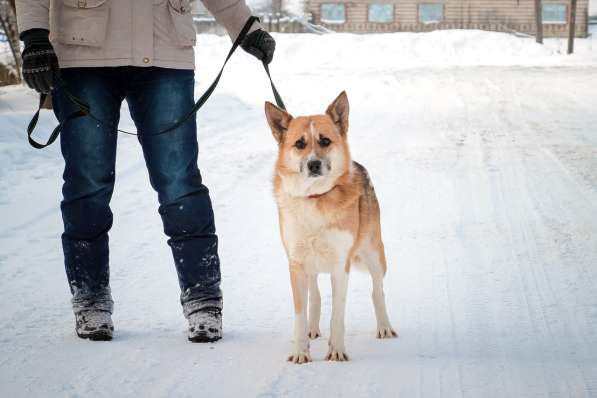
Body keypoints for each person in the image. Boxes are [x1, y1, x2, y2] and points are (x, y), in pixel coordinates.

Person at [15, 0, 275, 343]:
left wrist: (246, 26)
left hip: (164, 50)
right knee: (87, 183)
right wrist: (34, 37)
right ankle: (90, 297)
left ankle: (203, 299)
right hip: (83, 54)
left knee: (179, 181)